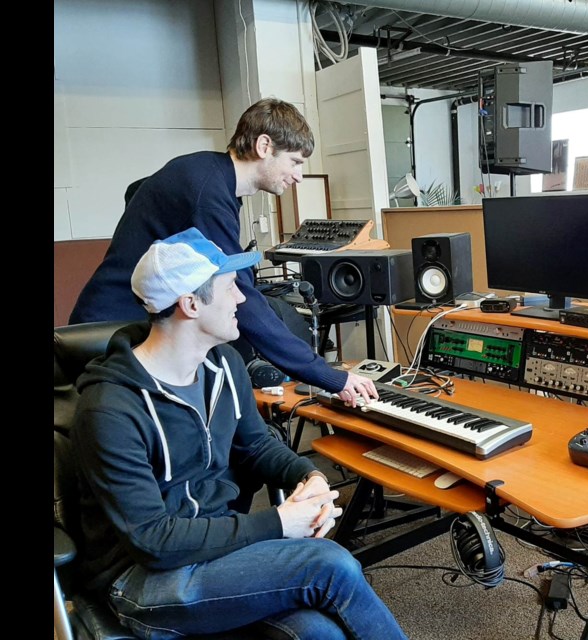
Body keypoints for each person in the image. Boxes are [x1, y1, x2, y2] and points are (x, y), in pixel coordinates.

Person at [72, 228, 408, 640]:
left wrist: (309, 476)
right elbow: (153, 540)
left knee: (319, 632)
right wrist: (280, 522)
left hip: (218, 550)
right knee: (329, 565)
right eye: (230, 286)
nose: (242, 299)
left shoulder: (225, 365)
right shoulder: (110, 407)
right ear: (191, 304)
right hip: (140, 579)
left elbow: (257, 444)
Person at [69, 97, 376, 408]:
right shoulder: (209, 193)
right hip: (113, 334)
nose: (298, 176)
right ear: (265, 146)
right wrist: (328, 376)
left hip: (124, 324)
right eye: (295, 162)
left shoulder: (207, 172)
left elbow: (136, 190)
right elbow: (241, 298)